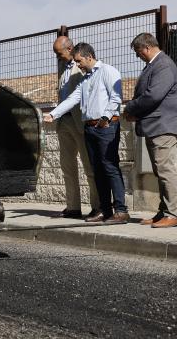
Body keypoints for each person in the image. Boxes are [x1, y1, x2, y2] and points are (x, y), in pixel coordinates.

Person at [43, 43, 129, 224]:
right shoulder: (85, 79)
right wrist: (53, 114)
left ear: (89, 56)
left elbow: (115, 97)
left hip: (106, 126)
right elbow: (73, 98)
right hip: (89, 128)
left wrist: (105, 117)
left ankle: (121, 211)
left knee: (110, 168)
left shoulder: (108, 71)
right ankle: (104, 210)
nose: (78, 65)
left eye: (79, 61)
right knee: (97, 170)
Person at [123, 33, 177, 228]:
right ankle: (164, 211)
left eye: (138, 52)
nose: (138, 56)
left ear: (147, 47)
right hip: (156, 126)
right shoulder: (155, 65)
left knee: (166, 170)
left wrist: (131, 108)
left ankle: (173, 213)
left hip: (164, 126)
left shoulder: (163, 65)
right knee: (161, 171)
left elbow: (153, 96)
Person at [52, 36, 100, 219]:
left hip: (80, 122)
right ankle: (73, 207)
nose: (57, 56)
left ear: (70, 48)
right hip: (63, 121)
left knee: (89, 166)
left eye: (59, 53)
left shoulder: (82, 66)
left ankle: (97, 206)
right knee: (67, 166)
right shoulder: (61, 67)